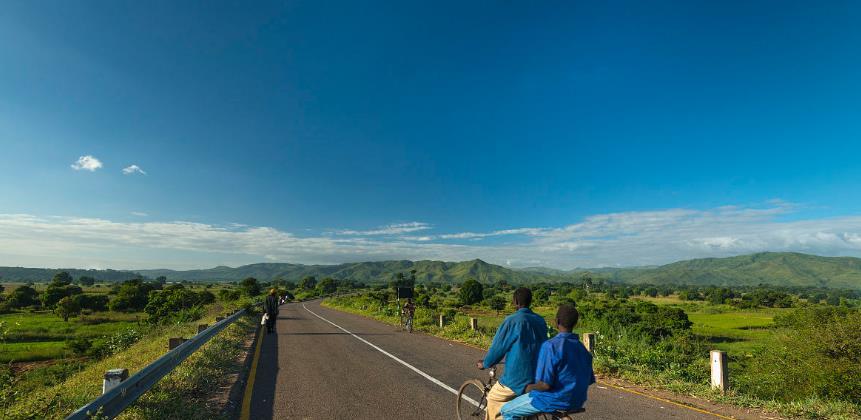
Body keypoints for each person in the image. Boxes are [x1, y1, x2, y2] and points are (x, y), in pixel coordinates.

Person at [499, 304, 595, 420]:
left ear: (556, 321)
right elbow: (589, 380)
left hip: (551, 401)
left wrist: (526, 388)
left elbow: (544, 385)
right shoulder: (583, 349)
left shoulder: (550, 346)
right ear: (575, 323)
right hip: (577, 401)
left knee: (507, 410)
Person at [477, 287, 547, 420]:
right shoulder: (540, 320)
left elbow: (497, 349)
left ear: (515, 302)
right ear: (530, 301)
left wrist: (485, 363)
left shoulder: (512, 320)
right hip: (538, 377)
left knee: (492, 398)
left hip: (516, 380)